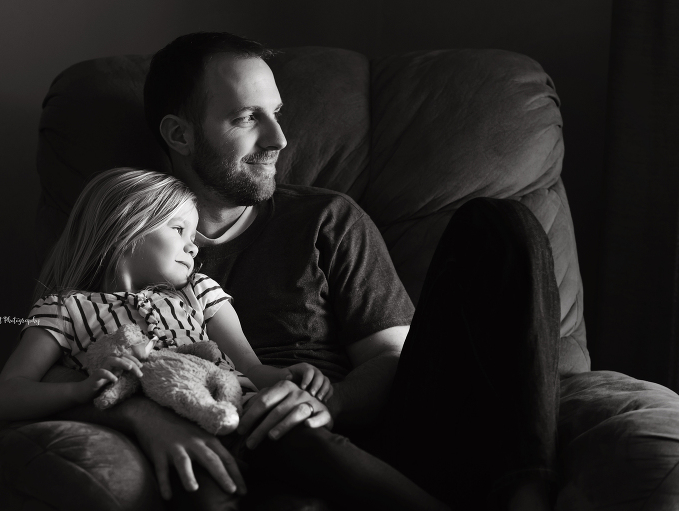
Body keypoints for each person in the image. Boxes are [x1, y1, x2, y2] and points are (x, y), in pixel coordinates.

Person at [32, 32, 560, 511]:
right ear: (180, 134)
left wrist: (328, 401)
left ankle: (525, 495)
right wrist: (147, 418)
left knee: (500, 225)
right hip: (253, 447)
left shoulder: (326, 217)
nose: (280, 139)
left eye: (276, 112)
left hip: (387, 435)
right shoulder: (126, 237)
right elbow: (52, 365)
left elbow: (391, 358)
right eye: (247, 118)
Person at [0, 167, 449, 511]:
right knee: (204, 493)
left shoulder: (200, 291)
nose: (194, 246)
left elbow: (250, 367)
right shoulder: (65, 310)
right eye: (178, 230)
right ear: (125, 229)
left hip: (242, 415)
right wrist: (80, 390)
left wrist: (298, 377)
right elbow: (7, 395)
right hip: (178, 439)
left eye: (195, 235)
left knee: (312, 444)